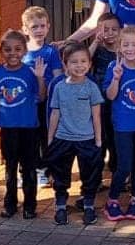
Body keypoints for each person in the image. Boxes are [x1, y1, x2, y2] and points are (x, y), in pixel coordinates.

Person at [45, 41, 104, 226]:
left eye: (83, 61)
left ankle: (88, 205)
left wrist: (98, 139)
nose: (79, 66)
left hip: (86, 138)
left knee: (90, 173)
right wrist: (50, 137)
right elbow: (55, 113)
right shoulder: (59, 87)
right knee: (60, 173)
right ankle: (61, 206)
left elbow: (96, 115)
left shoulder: (91, 87)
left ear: (89, 63)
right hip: (63, 138)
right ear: (65, 65)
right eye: (74, 62)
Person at [0, 29, 47, 219]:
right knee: (10, 167)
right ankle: (10, 203)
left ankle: (30, 205)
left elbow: (41, 96)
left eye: (17, 49)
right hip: (8, 127)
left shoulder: (30, 72)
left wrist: (40, 77)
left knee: (29, 167)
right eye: (7, 50)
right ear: (1, 51)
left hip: (28, 127)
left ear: (24, 50)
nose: (12, 53)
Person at [103, 27, 135, 221]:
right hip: (123, 125)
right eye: (126, 44)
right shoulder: (113, 66)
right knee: (124, 165)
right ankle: (112, 199)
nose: (130, 48)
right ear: (119, 47)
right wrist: (116, 78)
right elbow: (110, 95)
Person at [21, 6, 63, 187]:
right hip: (26, 102)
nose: (39, 30)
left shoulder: (50, 52)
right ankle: (26, 170)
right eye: (34, 27)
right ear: (25, 30)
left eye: (42, 26)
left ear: (48, 27)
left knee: (45, 136)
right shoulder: (21, 51)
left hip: (45, 103)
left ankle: (44, 170)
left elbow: (57, 75)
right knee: (27, 137)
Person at [89, 11, 121, 175]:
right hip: (99, 102)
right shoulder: (98, 51)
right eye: (105, 30)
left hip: (118, 101)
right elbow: (85, 60)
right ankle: (96, 175)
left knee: (116, 137)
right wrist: (95, 42)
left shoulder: (124, 52)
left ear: (121, 30)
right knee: (99, 136)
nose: (110, 33)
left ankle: (117, 172)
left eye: (114, 29)